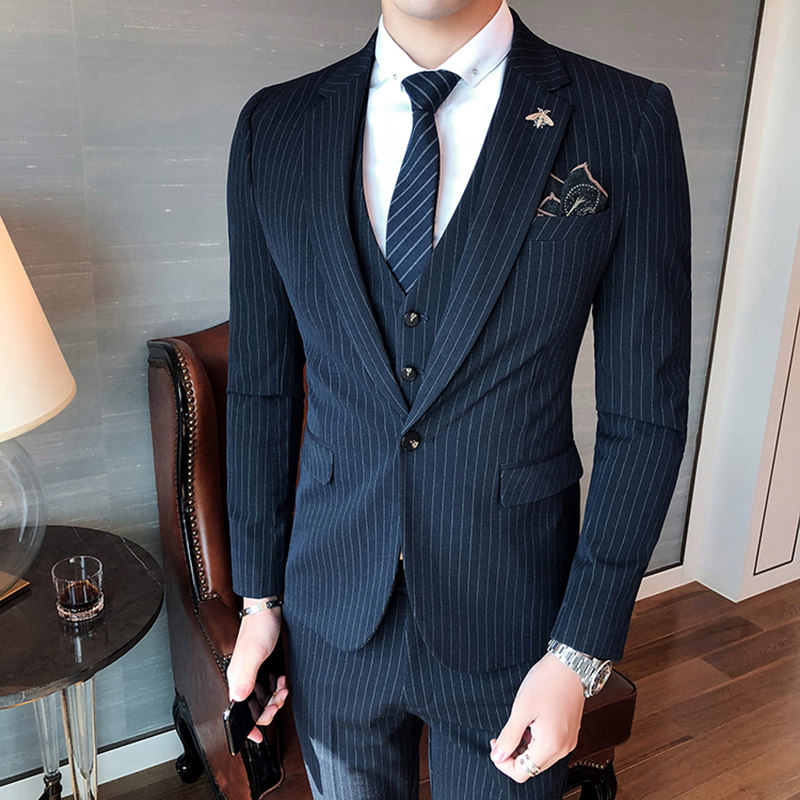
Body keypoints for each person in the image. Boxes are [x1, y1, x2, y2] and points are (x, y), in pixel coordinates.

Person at [224, 0, 691, 797]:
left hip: (518, 624)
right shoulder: (275, 126)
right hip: (334, 615)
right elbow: (260, 387)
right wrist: (258, 600)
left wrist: (579, 651)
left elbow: (644, 418)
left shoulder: (625, 118)